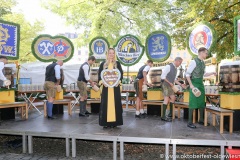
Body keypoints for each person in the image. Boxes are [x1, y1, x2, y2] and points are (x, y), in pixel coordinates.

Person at [186, 47, 216, 128]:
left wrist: (211, 73)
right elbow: (187, 74)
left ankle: (201, 120)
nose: (207, 54)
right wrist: (191, 85)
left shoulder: (203, 63)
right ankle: (189, 122)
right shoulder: (193, 62)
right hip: (194, 84)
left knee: (202, 102)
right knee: (193, 102)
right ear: (201, 53)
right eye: (206, 53)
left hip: (201, 84)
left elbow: (203, 74)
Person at [98, 48, 123, 128]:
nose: (111, 55)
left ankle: (115, 123)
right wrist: (102, 82)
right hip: (106, 88)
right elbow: (99, 76)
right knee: (105, 104)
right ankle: (105, 123)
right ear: (107, 54)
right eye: (110, 53)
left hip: (115, 88)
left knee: (116, 104)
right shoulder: (103, 64)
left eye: (113, 53)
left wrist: (118, 82)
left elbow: (121, 75)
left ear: (114, 54)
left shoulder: (117, 64)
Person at [161, 57, 185, 121]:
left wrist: (180, 84)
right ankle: (163, 116)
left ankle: (170, 114)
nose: (180, 64)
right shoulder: (168, 66)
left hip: (170, 85)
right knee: (166, 99)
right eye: (180, 62)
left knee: (173, 98)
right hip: (165, 84)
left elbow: (174, 79)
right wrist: (169, 83)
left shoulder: (175, 69)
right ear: (177, 61)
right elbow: (162, 76)